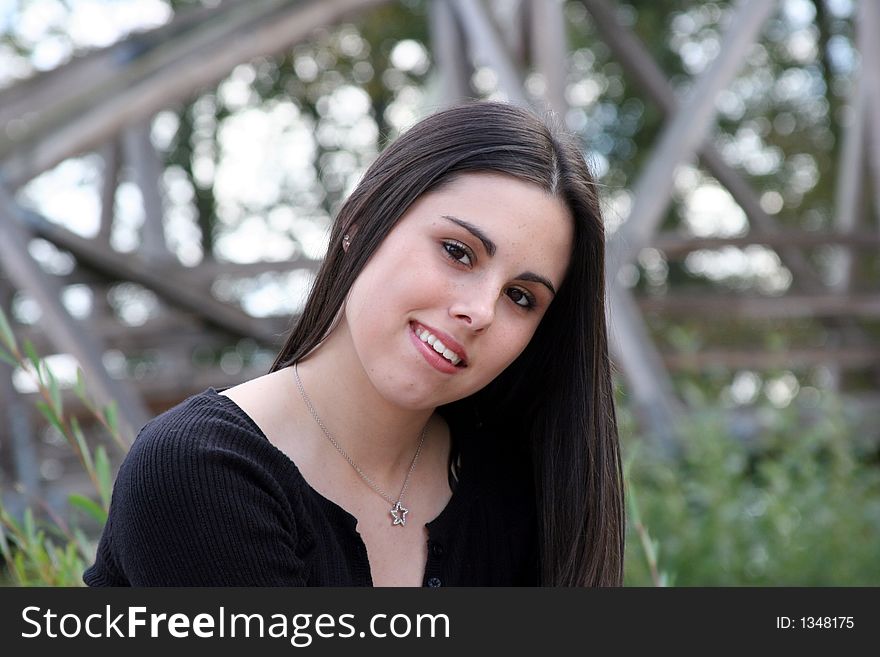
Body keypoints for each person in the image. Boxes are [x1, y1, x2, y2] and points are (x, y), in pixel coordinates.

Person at [83, 101, 624, 587]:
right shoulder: (200, 474)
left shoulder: (515, 484)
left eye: (521, 297)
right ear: (362, 221)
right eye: (458, 252)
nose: (480, 311)